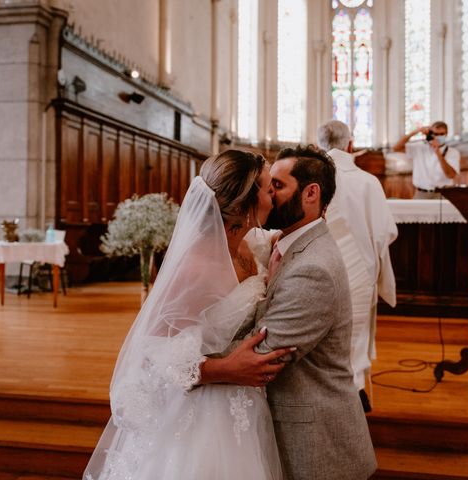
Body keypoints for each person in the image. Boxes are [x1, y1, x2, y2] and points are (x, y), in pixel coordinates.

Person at [83, 149, 294, 480]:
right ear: (242, 207)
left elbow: (265, 243)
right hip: (206, 413)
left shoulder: (248, 243)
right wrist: (227, 369)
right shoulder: (197, 267)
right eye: (269, 189)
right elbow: (153, 355)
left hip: (243, 404)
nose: (274, 197)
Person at [201, 145, 378, 480]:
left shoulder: (314, 268)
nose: (267, 194)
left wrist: (184, 363)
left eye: (278, 186)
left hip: (314, 445)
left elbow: (260, 356)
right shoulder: (284, 244)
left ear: (311, 193)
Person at [317, 120, 398, 412]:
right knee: (357, 330)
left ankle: (325, 389)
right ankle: (357, 388)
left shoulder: (310, 178)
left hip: (316, 266)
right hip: (360, 268)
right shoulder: (367, 181)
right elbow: (385, 232)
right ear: (350, 145)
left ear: (318, 147)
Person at [392, 121, 460, 199]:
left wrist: (437, 152)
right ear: (430, 134)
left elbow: (450, 175)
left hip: (443, 193)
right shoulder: (419, 147)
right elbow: (396, 148)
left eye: (441, 134)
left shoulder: (453, 152)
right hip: (421, 193)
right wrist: (416, 131)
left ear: (446, 134)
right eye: (435, 134)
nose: (438, 137)